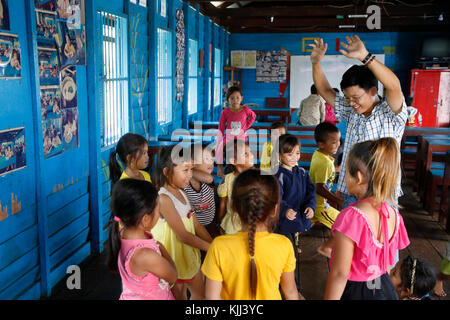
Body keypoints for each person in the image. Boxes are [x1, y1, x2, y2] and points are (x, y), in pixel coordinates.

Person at [309, 35, 408, 210]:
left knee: (378, 237)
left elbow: (394, 86)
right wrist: (316, 63)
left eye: (355, 98)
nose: (352, 103)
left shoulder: (391, 113)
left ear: (372, 91)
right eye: (348, 99)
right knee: (351, 236)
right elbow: (324, 89)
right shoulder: (352, 112)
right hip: (351, 192)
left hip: (381, 195)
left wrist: (365, 56)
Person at [324, 138, 410, 300]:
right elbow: (387, 264)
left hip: (357, 292)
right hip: (383, 288)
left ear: (358, 177)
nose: (344, 178)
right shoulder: (393, 214)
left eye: (346, 173)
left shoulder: (352, 217)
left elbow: (340, 273)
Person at [202, 168, 302, 300]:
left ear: (233, 206)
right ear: (275, 209)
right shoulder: (284, 245)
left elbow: (212, 297)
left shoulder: (219, 246)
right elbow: (290, 292)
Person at [152, 144, 213, 300]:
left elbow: (196, 225)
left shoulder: (183, 193)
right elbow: (183, 236)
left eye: (191, 169)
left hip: (189, 255)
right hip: (173, 260)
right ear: (166, 172)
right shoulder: (164, 198)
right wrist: (212, 248)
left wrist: (214, 244)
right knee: (179, 297)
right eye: (185, 170)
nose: (190, 175)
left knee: (200, 295)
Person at [105, 178, 177, 300]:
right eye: (158, 211)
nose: (159, 215)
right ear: (145, 219)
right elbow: (173, 276)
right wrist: (160, 247)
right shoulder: (145, 255)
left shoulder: (121, 232)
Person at [274, 133, 316, 291]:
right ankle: (291, 288)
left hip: (297, 220)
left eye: (297, 153)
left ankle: (288, 285)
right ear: (279, 155)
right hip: (283, 223)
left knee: (293, 249)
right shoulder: (278, 175)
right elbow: (276, 197)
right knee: (288, 255)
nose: (294, 157)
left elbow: (311, 192)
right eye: (289, 154)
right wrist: (285, 210)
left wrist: (311, 206)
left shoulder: (302, 173)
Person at [309, 122, 343, 258]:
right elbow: (319, 187)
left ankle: (291, 242)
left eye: (339, 141)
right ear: (321, 144)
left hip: (313, 202)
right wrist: (338, 200)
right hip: (320, 206)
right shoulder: (324, 162)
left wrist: (337, 169)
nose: (338, 144)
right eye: (334, 142)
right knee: (343, 225)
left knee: (301, 226)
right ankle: (326, 248)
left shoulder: (319, 155)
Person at [215, 86, 256, 178]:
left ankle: (245, 169)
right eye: (232, 98)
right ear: (228, 100)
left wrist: (246, 127)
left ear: (241, 98)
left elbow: (253, 116)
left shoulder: (245, 110)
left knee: (243, 152)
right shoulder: (225, 112)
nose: (235, 100)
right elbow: (221, 127)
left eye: (237, 97)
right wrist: (219, 141)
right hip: (229, 136)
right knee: (220, 148)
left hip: (241, 137)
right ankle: (220, 168)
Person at [217, 139, 254, 235]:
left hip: (252, 223)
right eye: (246, 154)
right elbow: (223, 204)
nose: (252, 155)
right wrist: (220, 222)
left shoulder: (256, 178)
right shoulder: (228, 180)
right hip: (232, 225)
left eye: (250, 152)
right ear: (233, 161)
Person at [184, 142, 217, 238]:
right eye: (206, 159)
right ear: (193, 163)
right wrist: (189, 168)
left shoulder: (208, 181)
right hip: (193, 229)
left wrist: (189, 169)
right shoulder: (185, 185)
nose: (211, 162)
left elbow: (208, 178)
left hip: (210, 224)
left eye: (211, 159)